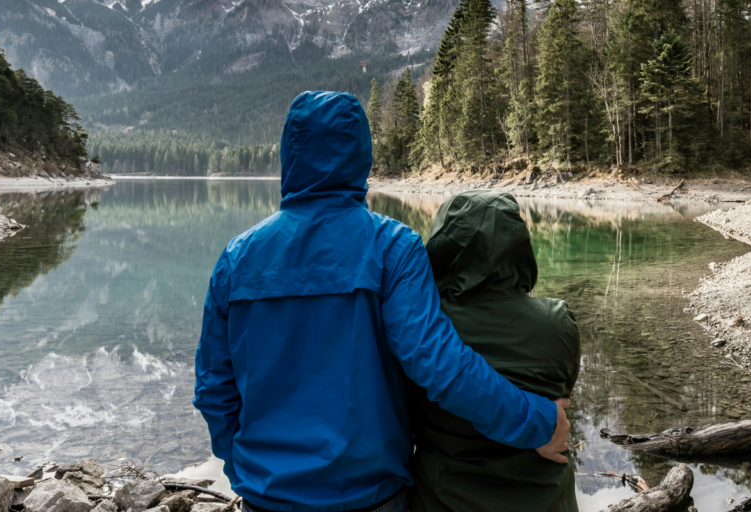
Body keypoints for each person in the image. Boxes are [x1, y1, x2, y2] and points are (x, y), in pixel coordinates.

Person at [192, 91, 571, 512]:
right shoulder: (393, 246)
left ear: (289, 153)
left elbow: (213, 390)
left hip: (266, 499)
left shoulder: (236, 257)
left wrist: (248, 468)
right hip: (371, 497)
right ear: (362, 155)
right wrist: (538, 422)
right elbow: (440, 367)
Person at [410, 190, 582, 512]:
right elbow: (564, 394)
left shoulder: (424, 330)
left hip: (443, 501)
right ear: (518, 245)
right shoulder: (557, 323)